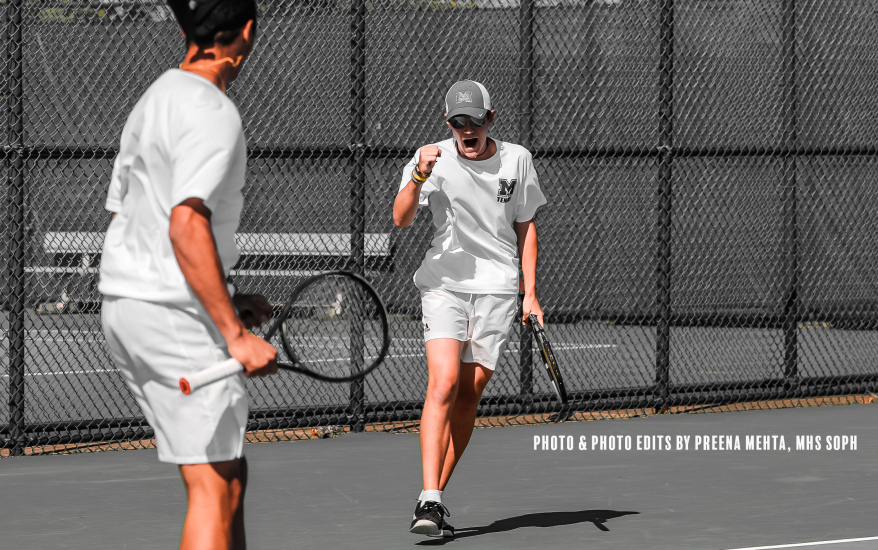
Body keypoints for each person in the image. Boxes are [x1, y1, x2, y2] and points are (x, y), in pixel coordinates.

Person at [99, 1, 276, 548]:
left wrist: (223, 294)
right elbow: (184, 225)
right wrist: (234, 335)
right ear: (246, 31)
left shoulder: (155, 99)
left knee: (228, 471)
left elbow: (137, 216)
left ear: (187, 30)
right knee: (212, 487)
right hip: (170, 312)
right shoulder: (212, 111)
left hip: (129, 306)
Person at [392, 80, 547, 538]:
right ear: (449, 124)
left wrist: (530, 292)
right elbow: (400, 217)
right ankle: (429, 496)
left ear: (490, 120)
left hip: (498, 289)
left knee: (469, 393)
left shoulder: (517, 159)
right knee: (441, 383)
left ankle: (434, 495)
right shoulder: (431, 159)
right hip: (444, 285)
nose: (467, 130)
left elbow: (526, 227)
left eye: (474, 121)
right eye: (458, 123)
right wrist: (419, 175)